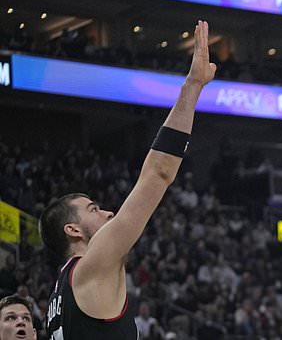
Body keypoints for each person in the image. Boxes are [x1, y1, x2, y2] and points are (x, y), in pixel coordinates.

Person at [39, 20, 217, 340]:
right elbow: (159, 173)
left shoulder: (57, 297)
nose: (108, 213)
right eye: (93, 209)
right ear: (73, 230)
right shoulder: (92, 266)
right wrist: (192, 86)